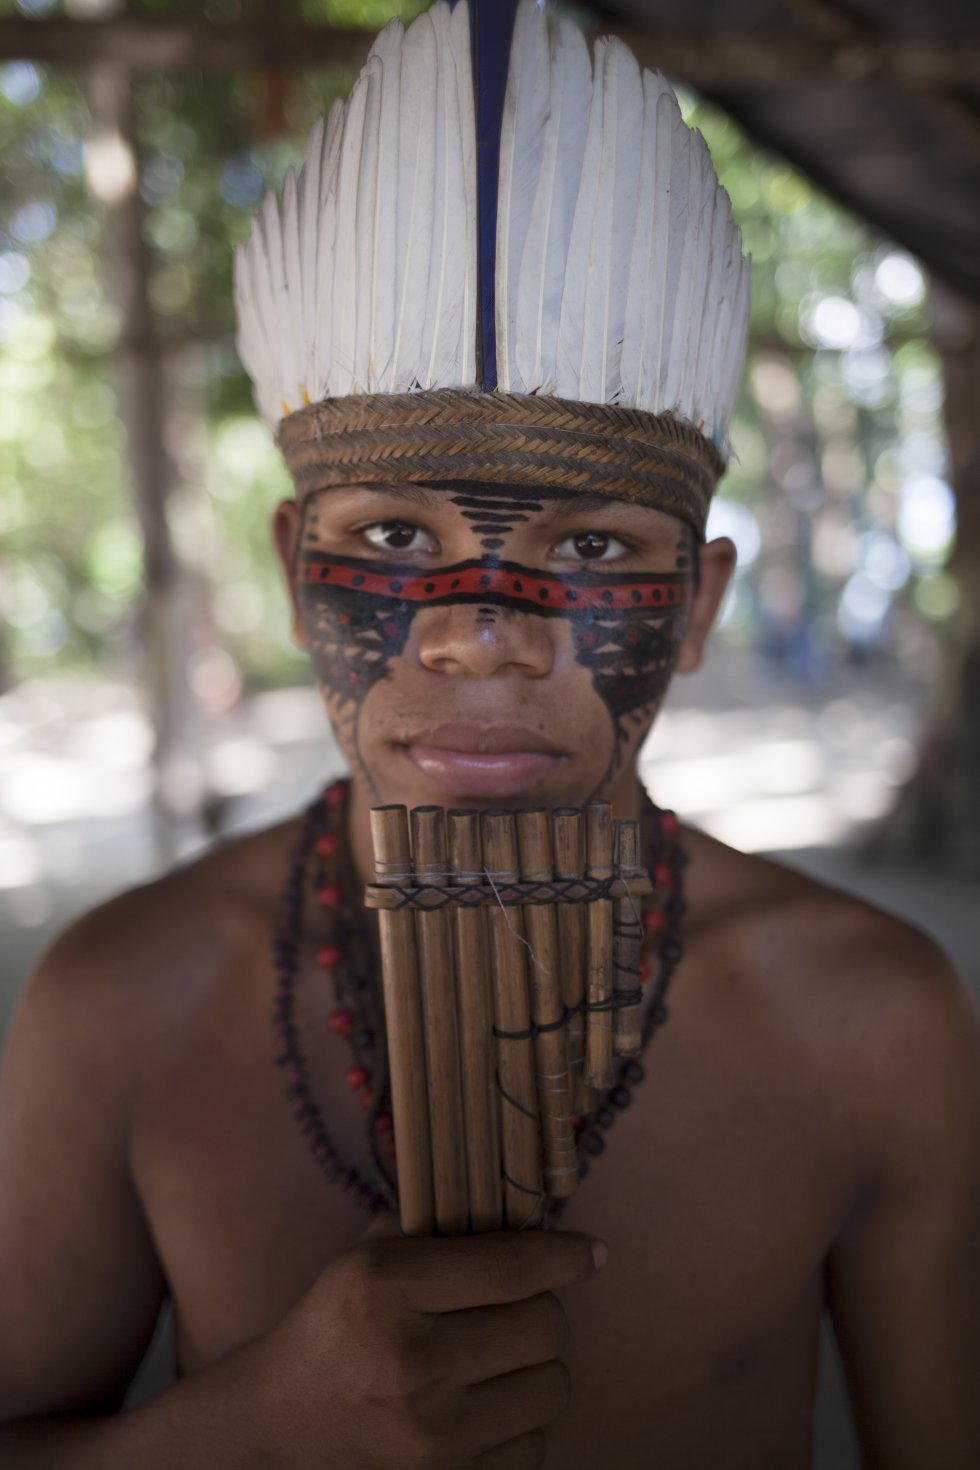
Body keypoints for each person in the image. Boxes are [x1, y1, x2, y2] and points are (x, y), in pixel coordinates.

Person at [1, 1, 978, 1466]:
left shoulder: (869, 1020)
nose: (480, 630)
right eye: (394, 534)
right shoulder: (118, 1003)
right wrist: (259, 1424)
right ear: (290, 573)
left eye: (592, 552)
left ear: (697, 606)